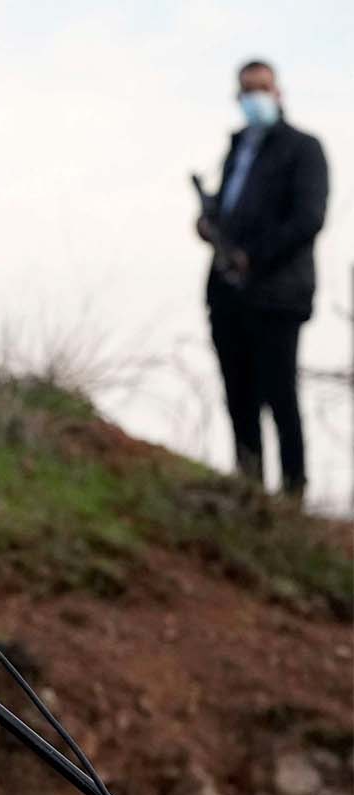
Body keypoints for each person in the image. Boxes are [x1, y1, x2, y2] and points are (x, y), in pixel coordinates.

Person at [197, 59, 329, 500]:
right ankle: (250, 489)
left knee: (280, 395)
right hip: (229, 292)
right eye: (247, 90)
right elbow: (232, 211)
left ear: (278, 92)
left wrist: (254, 257)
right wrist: (211, 222)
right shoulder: (238, 150)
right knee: (239, 395)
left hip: (278, 294)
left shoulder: (303, 149)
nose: (255, 98)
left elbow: (308, 219)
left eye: (262, 88)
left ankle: (293, 496)